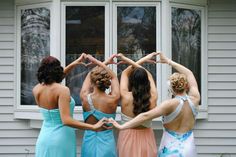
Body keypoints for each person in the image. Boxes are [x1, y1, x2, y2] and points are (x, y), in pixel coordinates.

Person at [110, 52, 200, 157]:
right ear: (186, 85)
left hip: (169, 149)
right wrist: (168, 61)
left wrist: (140, 59)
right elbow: (189, 74)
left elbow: (126, 73)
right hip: (188, 148)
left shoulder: (168, 104)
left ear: (171, 89)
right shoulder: (195, 98)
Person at [33, 54, 107, 157]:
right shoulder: (62, 90)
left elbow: (55, 78)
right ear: (57, 70)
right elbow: (66, 120)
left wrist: (74, 63)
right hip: (61, 138)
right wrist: (93, 127)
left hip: (44, 138)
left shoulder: (36, 89)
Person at [115, 53, 159, 157]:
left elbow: (125, 73)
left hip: (127, 138)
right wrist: (145, 59)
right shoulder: (153, 97)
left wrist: (126, 59)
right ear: (146, 81)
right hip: (146, 138)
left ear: (132, 81)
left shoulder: (125, 96)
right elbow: (148, 74)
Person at [79, 54, 120, 157]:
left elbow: (90, 75)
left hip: (89, 142)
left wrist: (99, 62)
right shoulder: (113, 99)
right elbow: (114, 76)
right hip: (107, 143)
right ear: (107, 83)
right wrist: (99, 62)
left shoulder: (84, 97)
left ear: (92, 82)